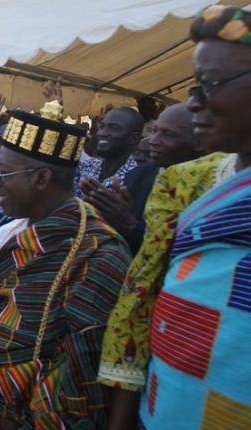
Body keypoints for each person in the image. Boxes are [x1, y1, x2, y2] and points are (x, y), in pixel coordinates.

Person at [100, 6, 251, 429]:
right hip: (167, 406)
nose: (194, 103)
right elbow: (141, 297)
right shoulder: (185, 180)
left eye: (208, 85)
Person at [0, 106, 131, 430]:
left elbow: (90, 370)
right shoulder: (14, 234)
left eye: (4, 173)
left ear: (41, 178)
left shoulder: (98, 253)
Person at [80, 103, 201, 254]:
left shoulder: (209, 187)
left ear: (198, 141)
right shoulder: (136, 177)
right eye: (155, 131)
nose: (153, 141)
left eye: (168, 134)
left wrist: (131, 225)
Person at [73, 107, 142, 197]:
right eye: (101, 126)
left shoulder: (137, 180)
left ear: (133, 138)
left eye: (113, 128)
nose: (101, 133)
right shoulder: (87, 165)